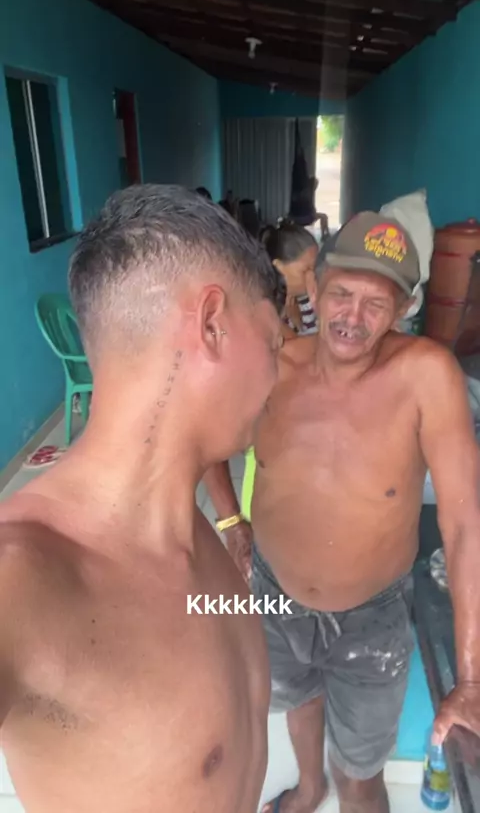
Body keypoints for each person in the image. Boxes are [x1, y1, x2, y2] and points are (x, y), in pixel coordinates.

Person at [0, 185, 283, 813]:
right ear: (212, 324)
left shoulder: (195, 535)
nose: (276, 375)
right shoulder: (23, 575)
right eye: (273, 343)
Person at [205, 211, 480, 813]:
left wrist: (471, 679)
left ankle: (341, 787)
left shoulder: (426, 377)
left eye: (376, 304)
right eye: (342, 294)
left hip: (372, 617)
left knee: (361, 773)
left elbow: (465, 527)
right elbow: (201, 440)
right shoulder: (272, 367)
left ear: (405, 307)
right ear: (315, 284)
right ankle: (310, 788)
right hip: (275, 594)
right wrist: (230, 522)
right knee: (298, 701)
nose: (354, 318)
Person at [262, 221, 319, 336]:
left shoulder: (306, 299)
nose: (312, 276)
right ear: (278, 267)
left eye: (314, 268)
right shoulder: (265, 308)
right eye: (305, 270)